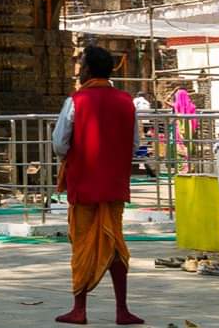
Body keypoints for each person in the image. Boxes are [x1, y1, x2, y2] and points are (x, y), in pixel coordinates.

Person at [52, 45, 143, 326]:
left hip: (84, 182)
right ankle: (122, 309)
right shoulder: (127, 101)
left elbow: (59, 143)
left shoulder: (76, 100)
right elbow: (136, 144)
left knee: (81, 246)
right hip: (115, 183)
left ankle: (79, 309)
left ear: (88, 69)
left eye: (81, 64)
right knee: (116, 242)